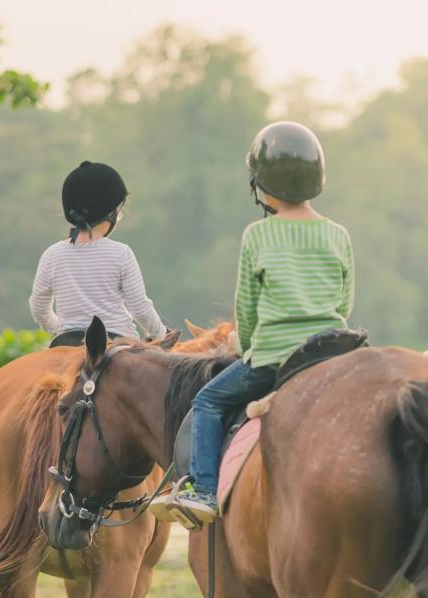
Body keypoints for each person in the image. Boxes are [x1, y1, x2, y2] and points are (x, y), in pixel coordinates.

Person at [152, 122, 355, 526]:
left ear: (260, 185)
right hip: (332, 357)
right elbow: (344, 301)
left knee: (208, 402)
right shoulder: (338, 234)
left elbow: (246, 308)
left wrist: (246, 347)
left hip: (276, 360)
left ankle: (203, 490)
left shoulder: (259, 235)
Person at [29, 161, 167, 344]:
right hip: (117, 341)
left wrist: (59, 329)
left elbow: (39, 307)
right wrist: (161, 335)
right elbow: (140, 307)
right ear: (111, 213)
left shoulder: (52, 255)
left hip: (66, 343)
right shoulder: (121, 254)